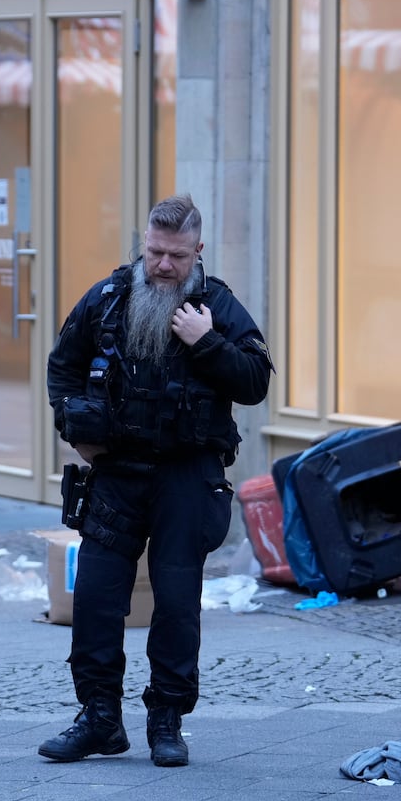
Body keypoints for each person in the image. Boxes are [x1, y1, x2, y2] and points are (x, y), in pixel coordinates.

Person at [40, 195, 272, 767]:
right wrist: (76, 431)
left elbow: (254, 381)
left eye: (174, 255)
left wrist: (206, 342)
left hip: (186, 476)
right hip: (117, 472)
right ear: (142, 244)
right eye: (154, 252)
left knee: (175, 602)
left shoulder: (215, 305)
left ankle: (166, 720)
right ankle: (99, 718)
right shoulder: (108, 298)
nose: (162, 265)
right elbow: (62, 368)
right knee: (94, 598)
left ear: (198, 251)